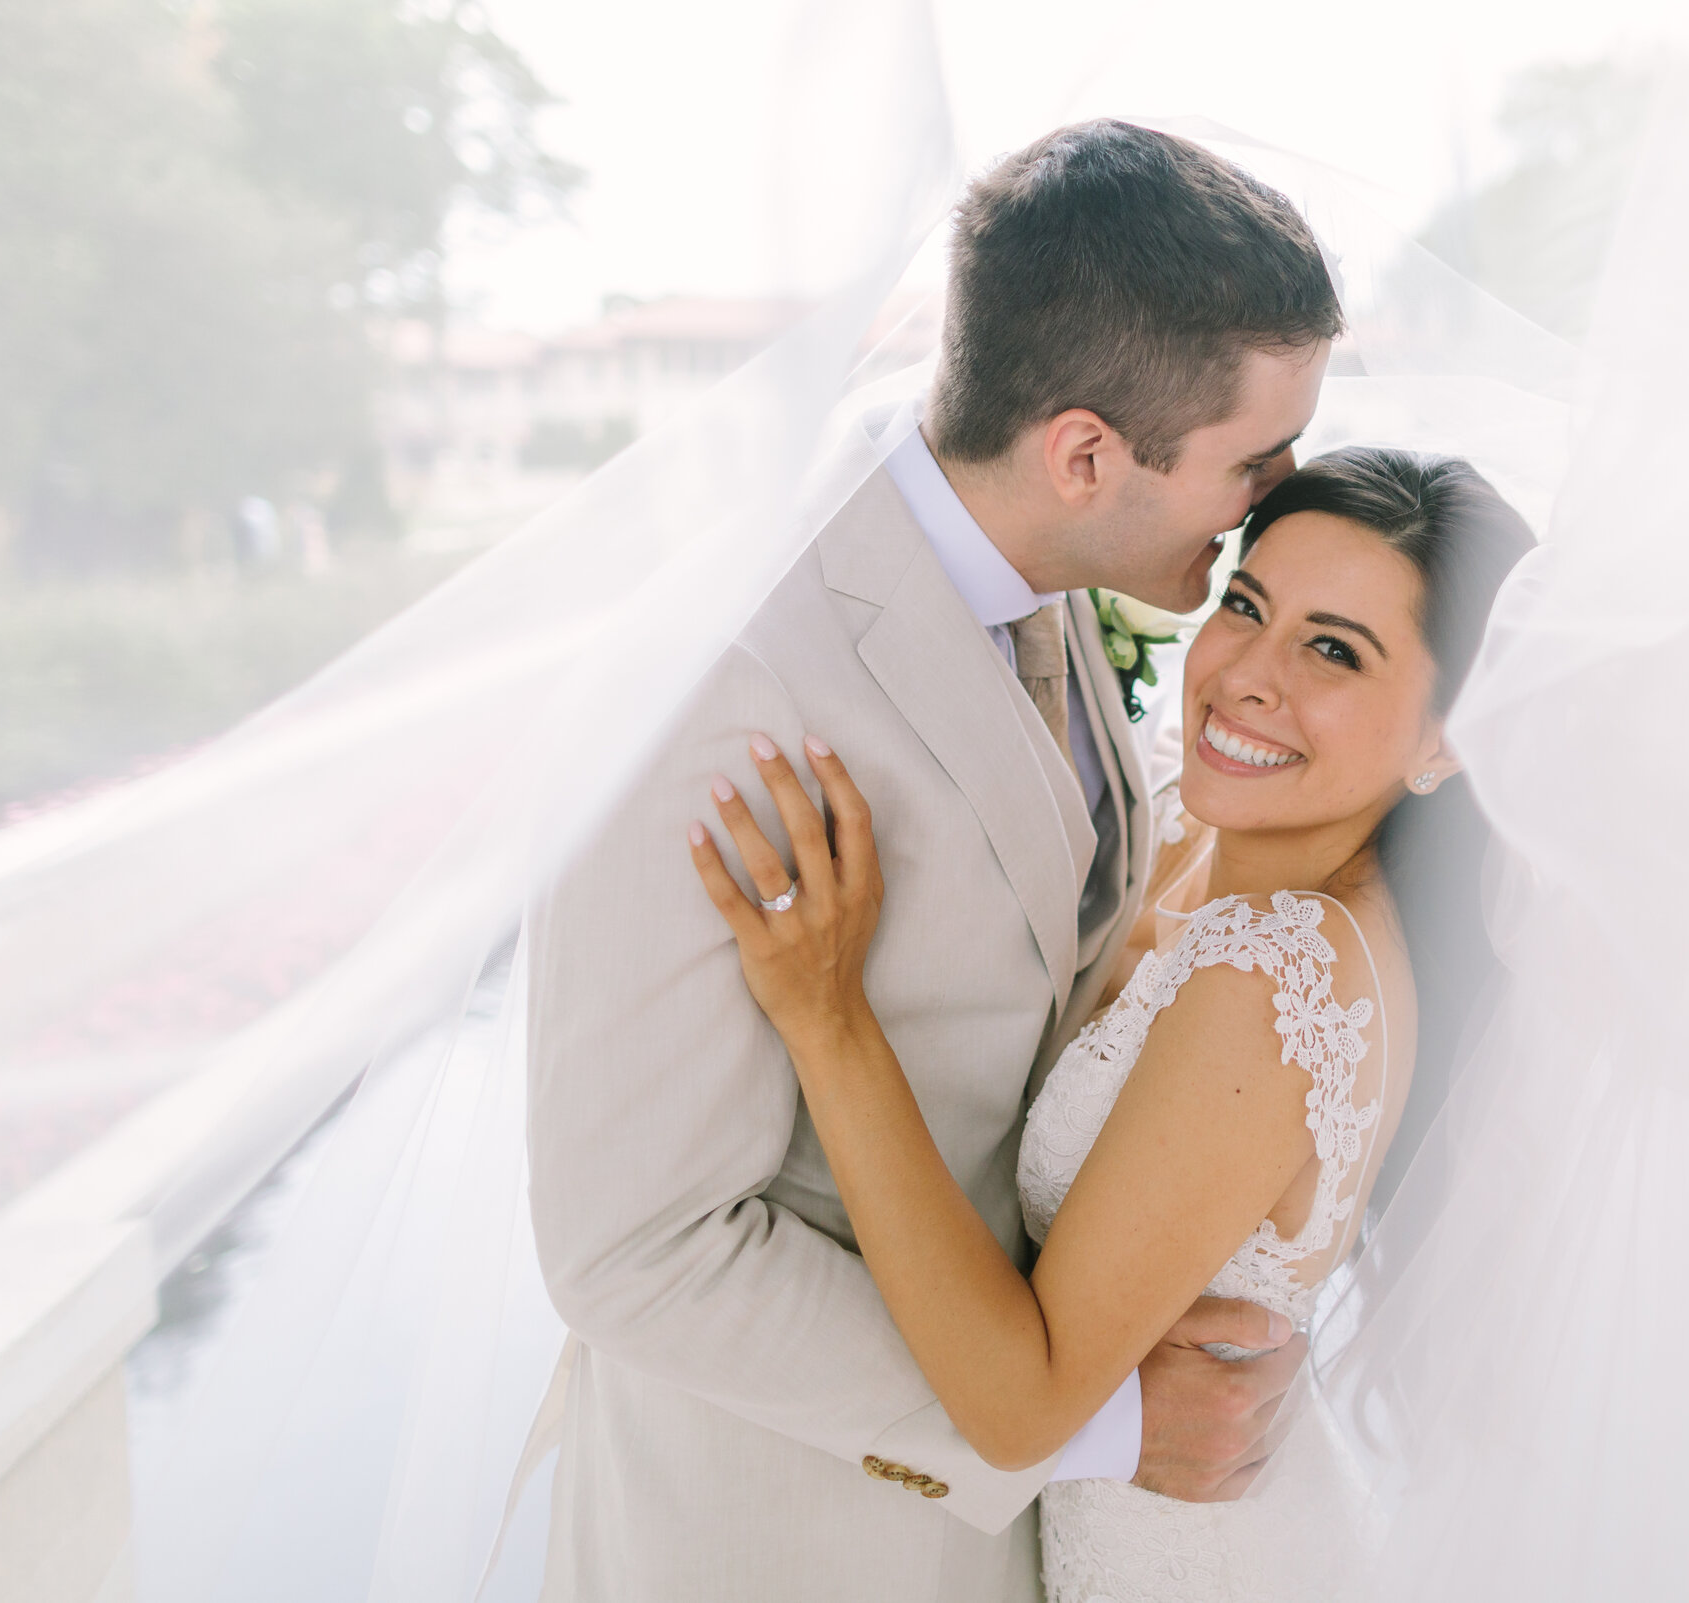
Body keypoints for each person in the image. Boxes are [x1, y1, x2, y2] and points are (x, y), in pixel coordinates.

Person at [523, 119, 1342, 1600]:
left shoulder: (1027, 554)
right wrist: (1088, 1423)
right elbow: (633, 1247)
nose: (1272, 506)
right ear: (1085, 451)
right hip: (784, 1537)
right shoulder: (727, 687)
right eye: (1256, 462)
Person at [692, 447, 1537, 1601]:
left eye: (1333, 648)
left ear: (1446, 738)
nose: (1246, 670)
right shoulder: (1186, 843)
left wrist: (829, 1015)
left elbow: (1020, 1403)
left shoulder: (1277, 971)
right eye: (1246, 603)